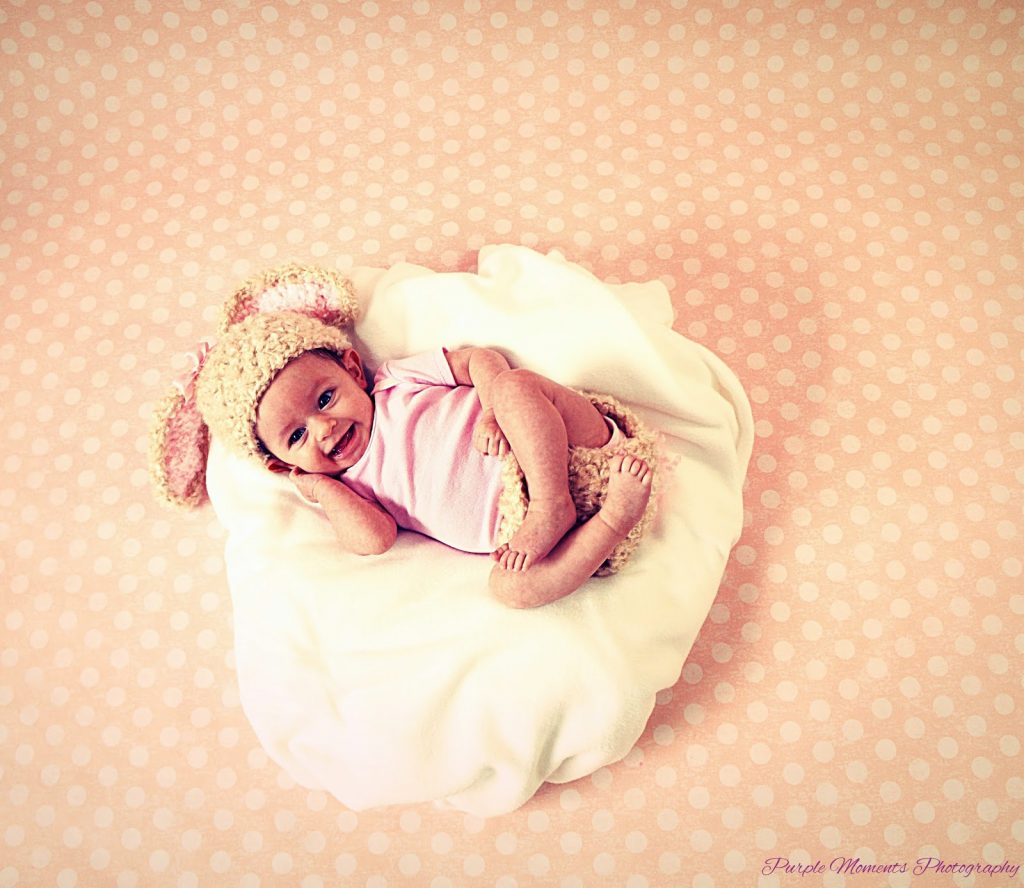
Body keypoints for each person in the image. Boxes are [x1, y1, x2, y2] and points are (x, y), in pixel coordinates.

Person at [150, 265, 658, 608]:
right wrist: (321, 487)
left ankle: (553, 502)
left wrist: (492, 410)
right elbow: (374, 540)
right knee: (509, 590)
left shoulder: (396, 381)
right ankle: (613, 522)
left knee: (516, 386)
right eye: (297, 436)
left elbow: (480, 361)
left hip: (574, 448)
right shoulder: (349, 486)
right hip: (533, 535)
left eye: (325, 398)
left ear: (353, 368)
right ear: (283, 464)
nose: (324, 429)